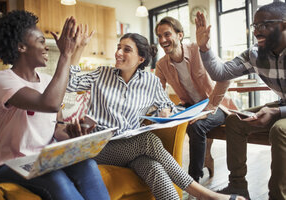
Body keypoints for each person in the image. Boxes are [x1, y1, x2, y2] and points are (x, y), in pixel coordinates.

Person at [66, 32, 245, 200]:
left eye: (126, 49)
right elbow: (69, 84)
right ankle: (207, 196)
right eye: (118, 47)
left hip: (130, 148)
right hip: (100, 148)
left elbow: (165, 104)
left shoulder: (150, 82)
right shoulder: (102, 73)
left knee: (154, 168)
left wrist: (166, 110)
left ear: (141, 59)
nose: (118, 53)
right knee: (148, 141)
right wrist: (78, 49)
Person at [0, 10, 109, 200]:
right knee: (56, 178)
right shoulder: (1, 80)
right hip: (11, 164)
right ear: (21, 47)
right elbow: (49, 104)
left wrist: (72, 134)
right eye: (41, 41)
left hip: (46, 159)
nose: (46, 48)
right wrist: (66, 54)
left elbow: (57, 128)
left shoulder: (47, 81)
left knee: (88, 165)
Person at [195, 2, 286, 199]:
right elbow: (221, 73)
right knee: (235, 121)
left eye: (264, 25)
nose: (257, 31)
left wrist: (277, 112)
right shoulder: (256, 54)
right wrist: (204, 48)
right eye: (255, 26)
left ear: (283, 25)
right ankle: (237, 186)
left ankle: (278, 196)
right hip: (282, 105)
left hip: (282, 111)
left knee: (280, 128)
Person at [154, 16, 237, 183]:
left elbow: (225, 77)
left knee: (197, 126)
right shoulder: (161, 65)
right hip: (190, 106)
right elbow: (156, 92)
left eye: (167, 34)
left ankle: (193, 180)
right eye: (159, 36)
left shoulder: (198, 50)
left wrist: (211, 107)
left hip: (216, 105)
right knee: (163, 122)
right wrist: (163, 107)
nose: (162, 40)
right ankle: (167, 174)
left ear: (180, 35)